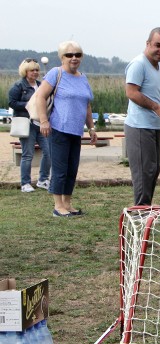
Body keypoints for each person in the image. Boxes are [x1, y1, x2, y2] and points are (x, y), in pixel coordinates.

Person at [34, 41, 97, 217]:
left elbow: (87, 105)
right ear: (62, 57)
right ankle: (58, 205)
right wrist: (44, 121)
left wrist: (91, 128)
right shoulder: (56, 73)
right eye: (69, 55)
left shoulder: (83, 78)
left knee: (72, 168)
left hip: (76, 130)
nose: (74, 58)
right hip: (59, 128)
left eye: (77, 54)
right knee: (60, 169)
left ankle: (68, 203)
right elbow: (40, 96)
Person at [124, 27, 160, 206]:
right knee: (144, 172)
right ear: (148, 44)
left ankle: (146, 208)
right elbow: (131, 93)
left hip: (153, 125)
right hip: (139, 126)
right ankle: (141, 212)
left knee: (153, 170)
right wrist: (156, 108)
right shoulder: (139, 64)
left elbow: (156, 93)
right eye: (158, 45)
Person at [8, 58, 51, 193]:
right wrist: (27, 105)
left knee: (48, 152)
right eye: (32, 70)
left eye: (37, 70)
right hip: (26, 124)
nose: (35, 72)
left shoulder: (41, 85)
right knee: (28, 154)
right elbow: (12, 102)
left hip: (40, 123)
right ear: (25, 71)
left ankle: (43, 179)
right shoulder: (18, 86)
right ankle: (25, 183)